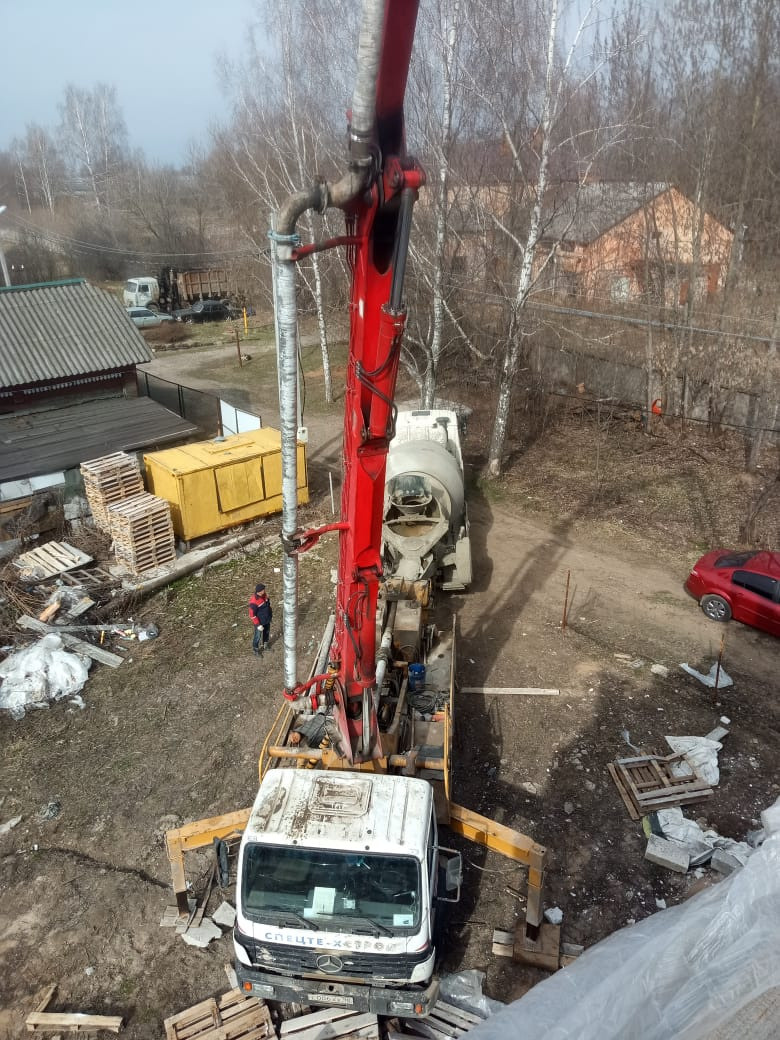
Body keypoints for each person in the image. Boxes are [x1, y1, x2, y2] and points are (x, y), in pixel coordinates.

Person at [249, 583, 273, 655]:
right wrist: (258, 624)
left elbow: (267, 605)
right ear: (259, 591)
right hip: (259, 622)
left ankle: (265, 645)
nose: (264, 591)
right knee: (257, 636)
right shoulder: (254, 601)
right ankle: (255, 650)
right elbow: (252, 615)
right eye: (263, 590)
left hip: (266, 619)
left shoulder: (264, 595)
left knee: (266, 632)